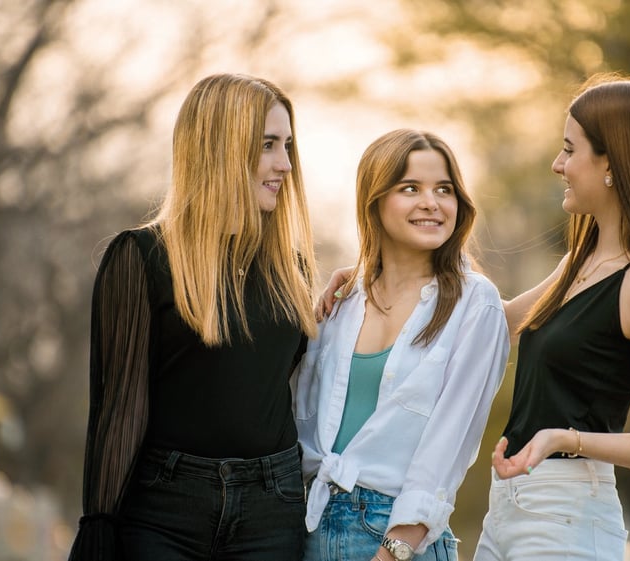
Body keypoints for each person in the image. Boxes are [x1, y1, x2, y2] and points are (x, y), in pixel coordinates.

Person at [68, 73, 318, 561]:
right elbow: (119, 405)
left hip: (274, 508)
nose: (285, 164)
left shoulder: (295, 272)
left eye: (287, 145)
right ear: (221, 148)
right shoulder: (140, 257)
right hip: (164, 510)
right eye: (268, 145)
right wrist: (98, 521)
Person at [473, 73, 630, 560]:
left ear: (612, 165)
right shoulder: (577, 263)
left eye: (569, 149)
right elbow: (492, 322)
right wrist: (387, 270)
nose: (557, 165)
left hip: (568, 512)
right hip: (511, 505)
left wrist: (568, 439)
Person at [292, 129, 510, 561]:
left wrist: (396, 548)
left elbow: (450, 440)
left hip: (399, 535)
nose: (431, 202)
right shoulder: (343, 299)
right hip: (313, 524)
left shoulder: (475, 302)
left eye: (444, 190)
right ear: (374, 201)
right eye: (410, 188)